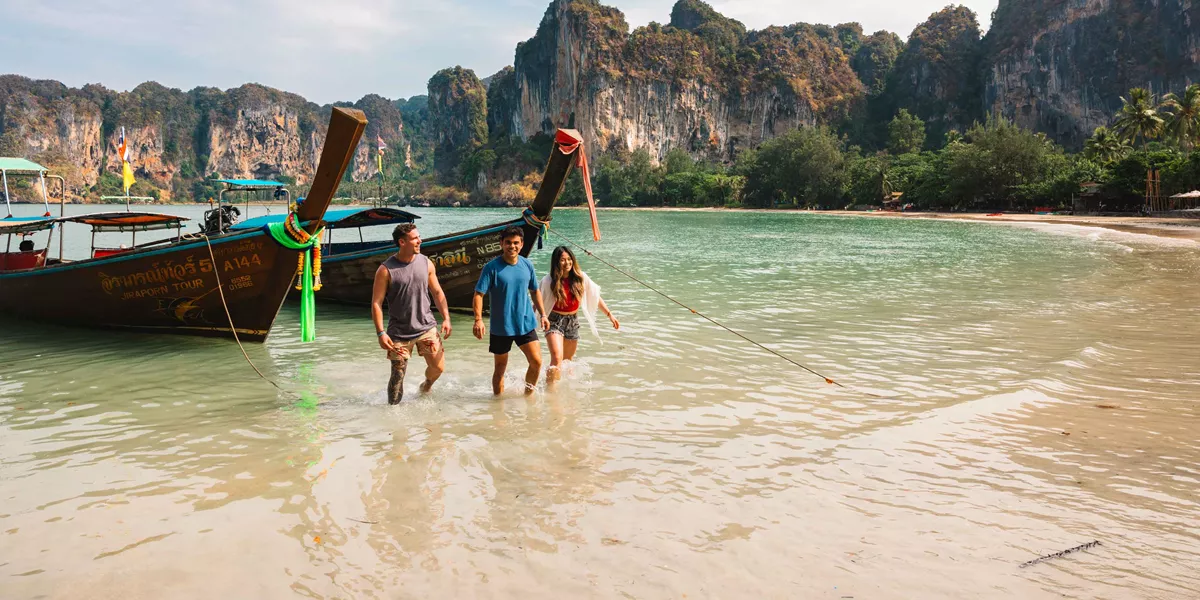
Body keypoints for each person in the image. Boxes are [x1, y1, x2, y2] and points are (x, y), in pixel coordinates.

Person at [371, 223, 452, 405]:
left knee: (438, 368)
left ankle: (426, 386)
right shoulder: (385, 270)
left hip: (426, 327)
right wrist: (380, 332)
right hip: (399, 333)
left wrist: (446, 317)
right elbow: (376, 303)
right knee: (398, 375)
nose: (419, 240)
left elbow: (437, 293)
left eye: (418, 237)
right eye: (415, 238)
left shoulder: (426, 263)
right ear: (402, 242)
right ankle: (394, 416)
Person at [473, 225, 549, 396]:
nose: (512, 246)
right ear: (501, 243)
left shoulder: (527, 264)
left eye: (516, 243)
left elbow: (535, 290)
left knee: (536, 362)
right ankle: (497, 406)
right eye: (508, 242)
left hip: (525, 323)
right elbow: (478, 294)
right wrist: (478, 320)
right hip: (501, 326)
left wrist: (543, 315)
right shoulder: (491, 268)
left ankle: (528, 397)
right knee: (500, 368)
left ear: (521, 244)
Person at [539, 245, 619, 382]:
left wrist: (609, 314)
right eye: (563, 260)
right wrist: (535, 317)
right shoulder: (548, 281)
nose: (567, 263)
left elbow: (595, 296)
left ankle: (567, 390)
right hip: (554, 321)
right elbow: (538, 300)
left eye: (569, 259)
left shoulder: (580, 277)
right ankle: (551, 394)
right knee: (557, 358)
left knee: (567, 361)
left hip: (573, 321)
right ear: (556, 262)